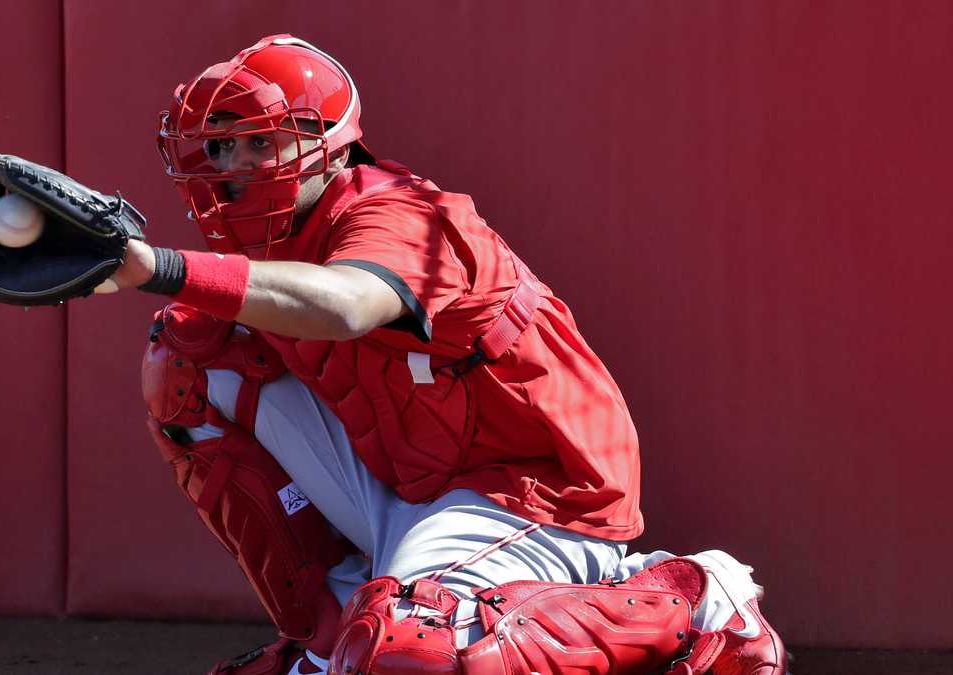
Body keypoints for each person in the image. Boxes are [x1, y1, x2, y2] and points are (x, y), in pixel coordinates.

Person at [97, 34, 787, 675]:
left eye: (258, 142)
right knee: (191, 352)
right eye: (221, 147)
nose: (234, 168)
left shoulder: (398, 212)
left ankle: (690, 601)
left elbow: (345, 304)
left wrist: (154, 266)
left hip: (531, 494)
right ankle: (332, 635)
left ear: (327, 146)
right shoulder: (272, 242)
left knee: (408, 648)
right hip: (412, 485)